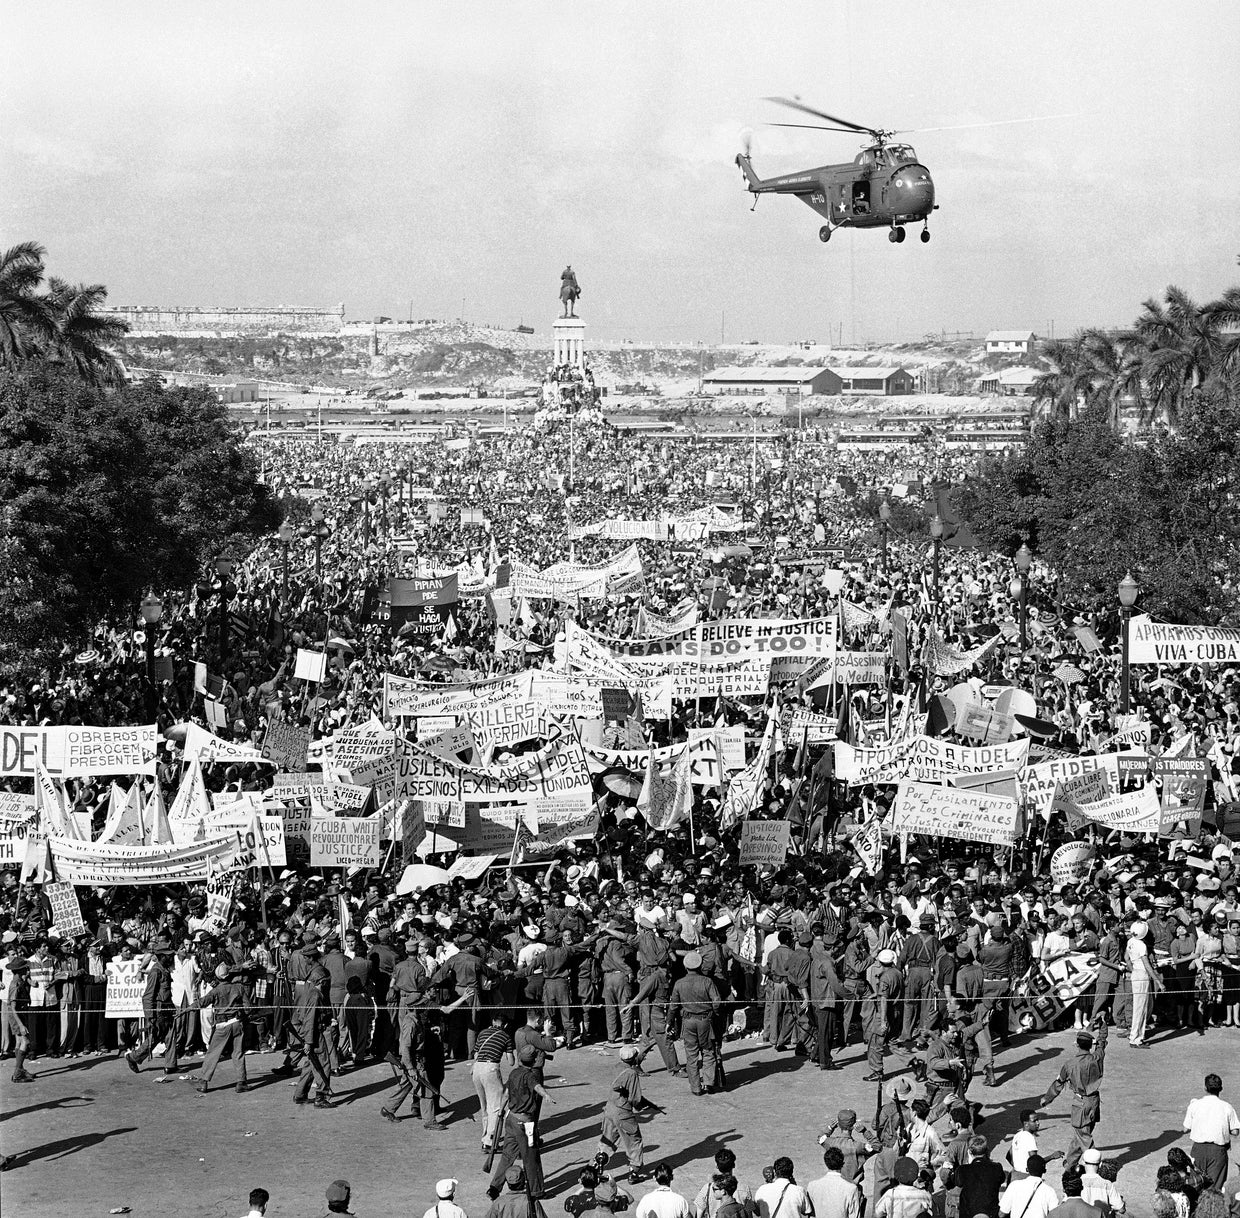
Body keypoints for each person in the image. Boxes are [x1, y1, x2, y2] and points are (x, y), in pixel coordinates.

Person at [488, 1043, 556, 1200]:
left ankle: (494, 1188)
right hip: (526, 1123)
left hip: (511, 1118)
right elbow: (537, 1086)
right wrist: (545, 1094)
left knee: (507, 1155)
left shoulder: (513, 1073)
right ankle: (536, 1191)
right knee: (531, 1157)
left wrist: (502, 1109)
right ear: (533, 1061)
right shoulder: (530, 1075)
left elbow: (506, 1094)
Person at [1039, 1025, 1109, 1170]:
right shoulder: (1097, 1057)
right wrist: (1103, 1025)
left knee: (1084, 1137)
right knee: (1082, 1133)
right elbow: (1102, 1042)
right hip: (1094, 1101)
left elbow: (1059, 1083)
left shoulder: (1069, 1065)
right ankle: (1070, 1164)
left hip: (1080, 1103)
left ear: (1077, 1045)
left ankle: (1097, 1166)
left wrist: (1047, 1098)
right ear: (1091, 1045)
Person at [599, 1043, 658, 1183]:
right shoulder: (632, 1073)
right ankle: (634, 1173)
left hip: (609, 1109)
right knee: (634, 1141)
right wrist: (642, 1106)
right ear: (634, 1059)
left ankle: (596, 1168)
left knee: (607, 1140)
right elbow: (635, 1098)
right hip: (623, 1112)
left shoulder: (616, 1067)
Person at [194, 961, 251, 1095]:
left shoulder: (216, 991)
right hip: (237, 1023)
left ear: (218, 978)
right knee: (238, 1053)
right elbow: (248, 1007)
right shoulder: (239, 988)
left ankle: (203, 1081)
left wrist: (189, 1008)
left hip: (222, 1026)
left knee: (213, 1054)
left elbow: (202, 1002)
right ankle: (241, 1082)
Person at [668, 951, 721, 1096]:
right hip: (705, 1020)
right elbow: (716, 1002)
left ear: (685, 966)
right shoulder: (707, 981)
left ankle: (696, 1087)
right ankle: (709, 1083)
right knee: (708, 1051)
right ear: (699, 966)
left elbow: (673, 1006)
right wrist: (714, 1014)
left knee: (691, 1055)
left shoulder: (679, 983)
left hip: (688, 1021)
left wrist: (669, 1022)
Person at [1182, 1072, 1240, 1188]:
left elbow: (1185, 1129)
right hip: (1218, 1152)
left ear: (1205, 1088)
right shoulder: (1227, 1107)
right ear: (1221, 1089)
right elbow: (1235, 1132)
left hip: (1198, 1150)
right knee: (1215, 1188)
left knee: (1196, 1184)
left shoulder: (1195, 1105)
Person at [692, 1149, 756, 1218]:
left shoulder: (707, 1188)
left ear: (717, 1166)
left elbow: (698, 1214)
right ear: (734, 1165)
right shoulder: (744, 1188)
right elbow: (749, 1214)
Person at [955, 1135, 1005, 1218]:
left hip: (968, 1213)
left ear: (970, 1152)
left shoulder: (963, 1170)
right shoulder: (996, 1167)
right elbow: (1001, 1179)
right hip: (990, 1212)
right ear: (987, 1151)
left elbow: (957, 1182)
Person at [805, 1147, 861, 1218]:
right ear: (842, 1164)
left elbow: (811, 1215)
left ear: (826, 1163)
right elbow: (854, 1216)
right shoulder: (851, 1188)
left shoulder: (812, 1186)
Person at [4, 955, 34, 1083]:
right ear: (19, 970)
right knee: (25, 1041)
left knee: (18, 1042)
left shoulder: (21, 981)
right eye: (25, 969)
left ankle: (20, 1068)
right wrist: (21, 1025)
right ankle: (17, 1073)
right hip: (16, 1015)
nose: (28, 971)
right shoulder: (15, 985)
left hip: (20, 1012)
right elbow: (13, 1007)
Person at [1010, 1112, 1062, 1180]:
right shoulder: (1030, 1138)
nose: (1038, 1123)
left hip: (1014, 1175)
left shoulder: (1017, 1135)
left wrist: (1018, 1167)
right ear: (1026, 1124)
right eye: (1034, 1121)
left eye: (1038, 1120)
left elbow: (1009, 1155)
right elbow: (1035, 1163)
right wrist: (1052, 1156)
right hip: (1025, 1177)